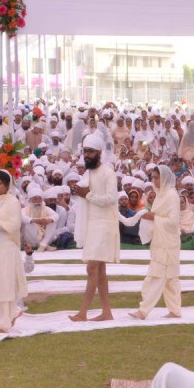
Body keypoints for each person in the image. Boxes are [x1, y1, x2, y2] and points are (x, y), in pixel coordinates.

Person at [131, 166, 193, 321]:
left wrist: (153, 217)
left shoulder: (171, 196)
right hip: (161, 240)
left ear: (164, 178)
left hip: (168, 242)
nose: (154, 180)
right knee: (170, 279)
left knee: (157, 276)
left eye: (157, 177)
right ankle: (175, 310)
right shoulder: (160, 194)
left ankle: (143, 311)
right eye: (152, 177)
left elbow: (173, 222)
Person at [70, 133, 121, 322]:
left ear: (99, 152)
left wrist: (87, 195)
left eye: (90, 151)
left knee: (92, 268)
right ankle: (107, 312)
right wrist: (80, 191)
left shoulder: (108, 172)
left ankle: (83, 312)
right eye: (85, 151)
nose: (87, 155)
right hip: (92, 224)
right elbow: (86, 194)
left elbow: (111, 198)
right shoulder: (88, 173)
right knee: (99, 271)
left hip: (105, 225)